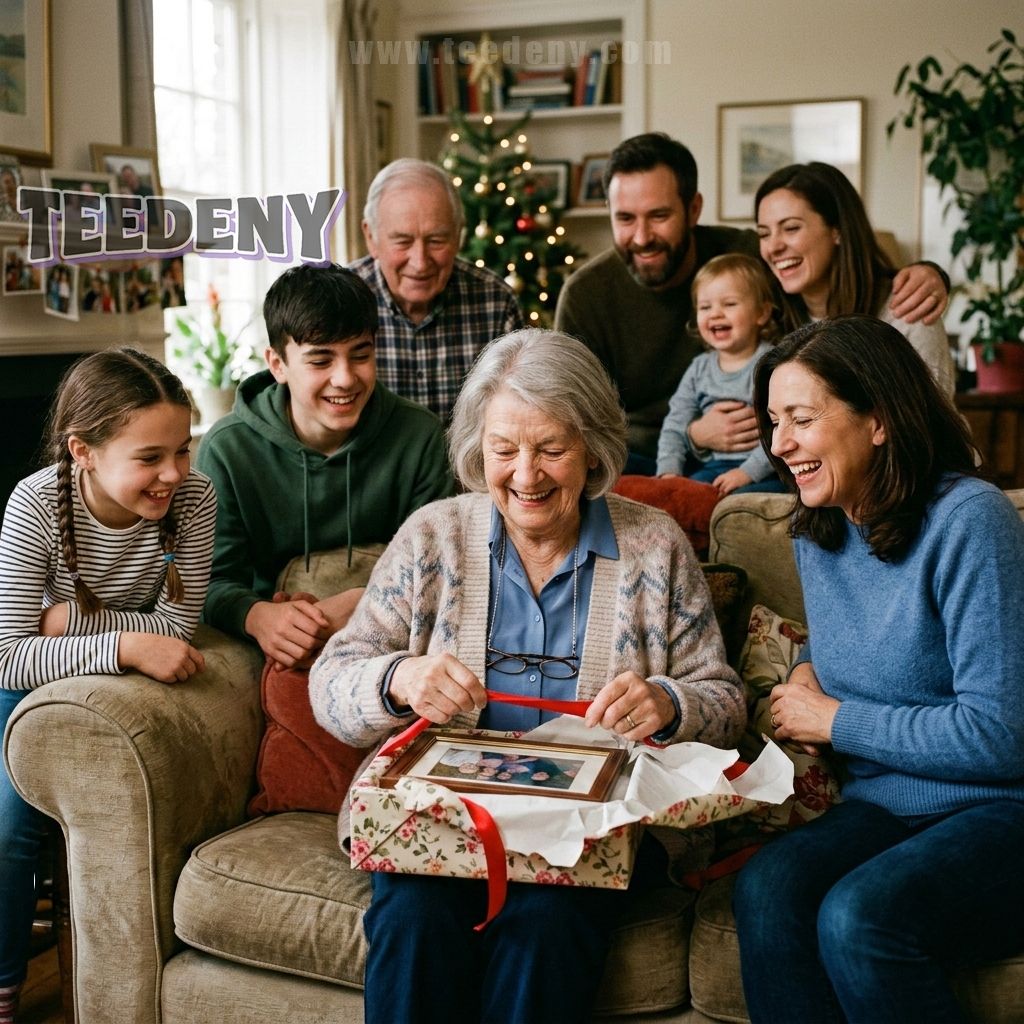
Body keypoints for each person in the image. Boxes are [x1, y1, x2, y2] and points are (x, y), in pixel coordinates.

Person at [309, 328, 745, 1024]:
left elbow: (724, 700)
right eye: (504, 449)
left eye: (551, 449)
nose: (526, 475)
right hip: (443, 820)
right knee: (412, 916)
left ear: (593, 447)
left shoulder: (654, 544)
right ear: (477, 449)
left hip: (590, 832)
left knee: (546, 923)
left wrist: (667, 703)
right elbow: (331, 682)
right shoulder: (432, 537)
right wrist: (400, 678)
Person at [732, 315, 1024, 1023]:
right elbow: (879, 643)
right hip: (884, 805)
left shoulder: (970, 520)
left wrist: (836, 721)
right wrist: (808, 670)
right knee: (766, 888)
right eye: (774, 421)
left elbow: (1001, 735)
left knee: (858, 917)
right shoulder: (820, 527)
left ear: (880, 421)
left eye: (802, 419)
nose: (780, 444)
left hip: (1000, 810)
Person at [0, 348, 215, 1023]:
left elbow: (178, 629)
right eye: (150, 457)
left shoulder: (195, 499)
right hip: (31, 685)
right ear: (83, 452)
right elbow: (8, 657)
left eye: (182, 449)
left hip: (106, 682)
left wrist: (68, 621)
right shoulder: (35, 503)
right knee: (9, 831)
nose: (174, 473)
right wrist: (126, 643)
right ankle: (4, 986)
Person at [554, 132, 949, 469]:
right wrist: (691, 435)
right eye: (625, 219)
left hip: (759, 454)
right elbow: (573, 419)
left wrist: (931, 273)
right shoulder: (586, 295)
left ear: (693, 209)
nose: (641, 237)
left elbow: (839, 264)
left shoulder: (746, 258)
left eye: (659, 216)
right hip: (643, 455)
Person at [196, 263, 454, 670]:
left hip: (393, 634)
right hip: (272, 642)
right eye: (320, 361)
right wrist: (256, 616)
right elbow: (207, 582)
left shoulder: (420, 436)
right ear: (277, 364)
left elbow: (442, 568)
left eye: (361, 355)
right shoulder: (227, 449)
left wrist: (362, 601)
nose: (345, 378)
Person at [756, 161, 956, 396]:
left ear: (837, 230)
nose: (773, 247)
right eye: (763, 234)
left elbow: (934, 415)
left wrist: (935, 272)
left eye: (791, 228)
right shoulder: (763, 315)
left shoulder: (907, 309)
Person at [351, 157, 525, 423]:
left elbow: (518, 414)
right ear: (371, 237)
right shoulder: (338, 301)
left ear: (458, 236)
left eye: (436, 240)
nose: (420, 262)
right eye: (402, 241)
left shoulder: (496, 302)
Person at [657, 253, 783, 495]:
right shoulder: (699, 369)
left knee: (746, 499)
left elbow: (783, 428)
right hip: (712, 467)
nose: (715, 314)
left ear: (762, 313)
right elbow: (675, 424)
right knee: (683, 496)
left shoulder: (773, 364)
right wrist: (668, 472)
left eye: (729, 304)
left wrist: (747, 473)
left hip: (767, 469)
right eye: (705, 307)